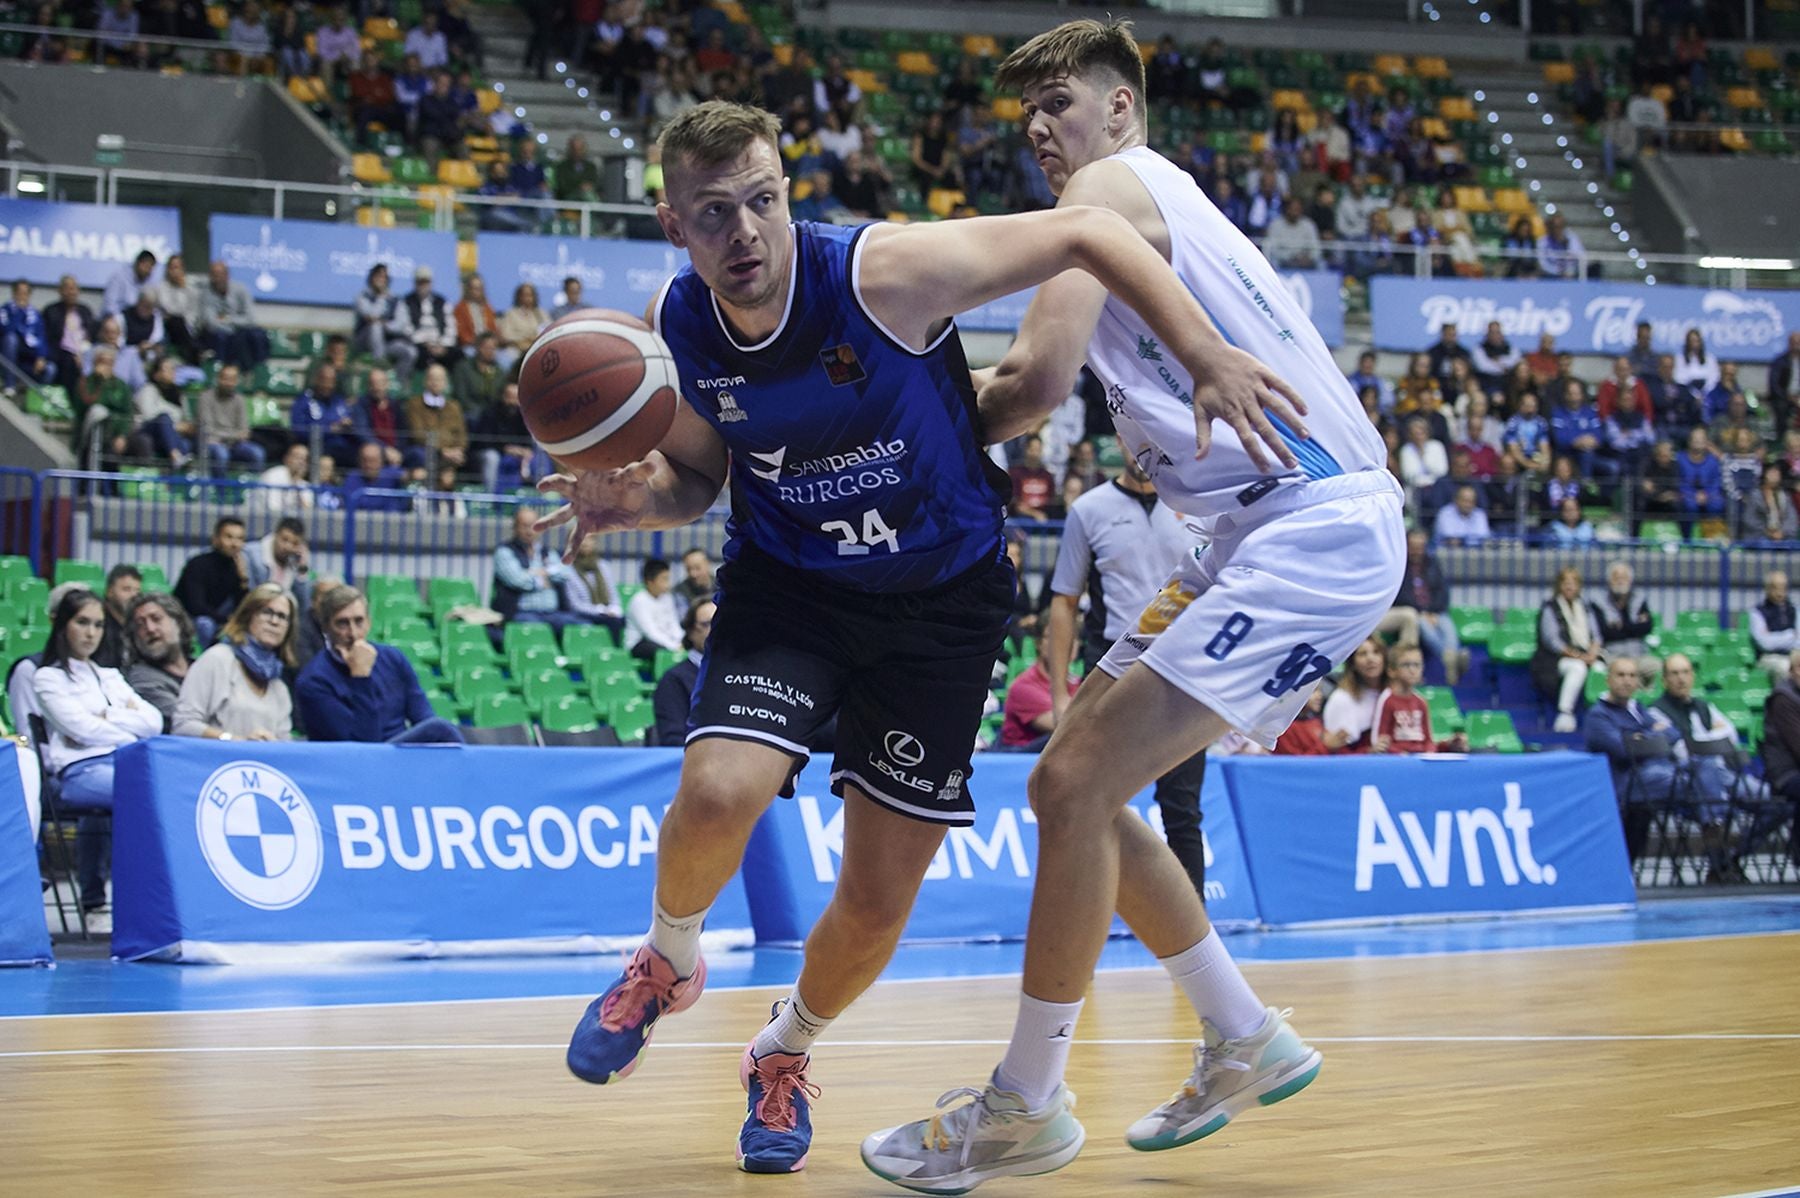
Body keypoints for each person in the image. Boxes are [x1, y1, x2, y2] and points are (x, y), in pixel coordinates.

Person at [535, 91, 1313, 1177]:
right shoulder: (678, 326)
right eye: (714, 214)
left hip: (941, 602)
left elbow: (1089, 230)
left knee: (873, 903)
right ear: (676, 227)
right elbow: (700, 472)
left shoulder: (883, 272)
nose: (744, 231)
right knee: (717, 792)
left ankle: (783, 1049)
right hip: (792, 587)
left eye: (761, 201)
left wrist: (1204, 354)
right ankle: (667, 961)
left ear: (788, 193)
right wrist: (633, 501)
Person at [863, 26, 1406, 1187]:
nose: (1042, 131)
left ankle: (1026, 1100)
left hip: (1310, 523)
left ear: (1122, 111)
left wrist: (852, 426)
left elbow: (1032, 386)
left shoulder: (1109, 191)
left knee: (1070, 783)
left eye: (1060, 104)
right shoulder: (1148, 203)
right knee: (1079, 776)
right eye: (1028, 120)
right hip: (1253, 530)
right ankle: (1242, 1034)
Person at [1042, 455, 1210, 896]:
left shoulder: (1198, 506)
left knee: (1183, 809)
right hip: (1114, 670)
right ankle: (1087, 924)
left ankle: (1196, 943)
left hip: (1182, 671)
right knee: (1095, 802)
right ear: (1121, 439)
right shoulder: (1089, 509)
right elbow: (1064, 602)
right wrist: (1061, 694)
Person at [32, 589, 163, 911]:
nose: (91, 633)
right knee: (146, 793)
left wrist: (108, 716)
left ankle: (147, 900)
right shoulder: (48, 678)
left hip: (126, 762)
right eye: (83, 622)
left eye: (99, 625)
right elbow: (80, 728)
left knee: (158, 789)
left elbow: (154, 722)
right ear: (63, 625)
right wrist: (126, 725)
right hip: (80, 772)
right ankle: (138, 902)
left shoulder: (110, 676)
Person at [294, 586, 463, 744]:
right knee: (442, 729)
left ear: (369, 622)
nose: (353, 634)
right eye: (342, 623)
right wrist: (360, 677)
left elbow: (423, 717)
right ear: (325, 627)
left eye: (358, 621)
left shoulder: (393, 658)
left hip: (399, 754)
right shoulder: (313, 681)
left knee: (446, 733)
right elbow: (363, 744)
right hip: (353, 762)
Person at [172, 583, 296, 741]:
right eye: (267, 612)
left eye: (282, 617)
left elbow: (285, 744)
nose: (274, 621)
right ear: (247, 616)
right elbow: (183, 725)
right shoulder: (216, 659)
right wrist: (235, 740)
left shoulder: (278, 684)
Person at [1584, 655, 1680, 857]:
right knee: (1687, 778)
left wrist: (1641, 738)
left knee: (1702, 769)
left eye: (1632, 676)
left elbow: (1673, 733)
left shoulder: (1637, 709)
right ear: (1608, 679)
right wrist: (1651, 736)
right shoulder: (1598, 715)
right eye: (1620, 675)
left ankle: (1714, 822)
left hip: (1650, 780)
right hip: (1623, 785)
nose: (1626, 680)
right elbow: (1624, 749)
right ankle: (1711, 817)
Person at [1532, 565, 1605, 733]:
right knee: (1577, 668)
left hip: (1586, 655)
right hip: (1555, 660)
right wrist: (1579, 656)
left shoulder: (1586, 608)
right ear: (1559, 585)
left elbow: (1596, 636)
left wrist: (1593, 652)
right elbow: (1552, 641)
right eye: (1565, 582)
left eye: (1573, 582)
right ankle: (1565, 713)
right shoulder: (1550, 607)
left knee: (1601, 669)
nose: (1569, 586)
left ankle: (1600, 716)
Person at [491, 507, 579, 634]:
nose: (530, 531)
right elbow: (518, 581)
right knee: (537, 631)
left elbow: (565, 574)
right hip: (520, 613)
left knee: (582, 627)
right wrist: (544, 579)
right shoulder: (504, 551)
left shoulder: (547, 552)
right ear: (515, 527)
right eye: (525, 526)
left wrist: (537, 573)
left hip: (553, 613)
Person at [1371, 643, 1466, 753]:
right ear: (1392, 671)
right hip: (1397, 761)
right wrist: (1400, 754)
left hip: (1419, 759)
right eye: (1406, 665)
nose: (1412, 670)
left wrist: (1444, 746)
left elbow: (1428, 741)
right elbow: (1379, 741)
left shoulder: (1421, 702)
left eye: (1417, 665)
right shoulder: (1387, 699)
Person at [123, 591, 194, 729]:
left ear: (178, 623)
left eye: (156, 619)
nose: (150, 629)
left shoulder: (202, 667)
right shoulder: (142, 679)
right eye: (140, 625)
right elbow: (186, 723)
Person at [174, 516, 250, 645]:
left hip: (217, 618)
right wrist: (227, 620)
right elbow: (196, 606)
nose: (234, 544)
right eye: (229, 537)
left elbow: (241, 606)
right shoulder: (198, 564)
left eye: (239, 539)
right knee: (205, 624)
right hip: (187, 618)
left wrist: (243, 579)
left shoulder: (237, 567)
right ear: (216, 539)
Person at [999, 626, 1076, 751]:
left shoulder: (1079, 683)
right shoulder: (1023, 687)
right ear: (1038, 643)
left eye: (1071, 638)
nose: (1064, 642)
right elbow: (1067, 727)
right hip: (1020, 762)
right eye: (1054, 636)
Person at [652, 599, 713, 747]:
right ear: (691, 631)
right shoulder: (674, 680)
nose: (716, 629)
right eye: (707, 624)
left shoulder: (735, 677)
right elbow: (674, 740)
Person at [197, 261, 269, 370]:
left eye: (220, 274)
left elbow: (250, 319)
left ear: (227, 275)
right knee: (224, 337)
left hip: (242, 330)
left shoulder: (241, 289)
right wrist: (232, 328)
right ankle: (221, 371)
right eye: (214, 275)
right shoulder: (206, 293)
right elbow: (211, 322)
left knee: (257, 335)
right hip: (220, 333)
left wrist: (228, 320)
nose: (218, 278)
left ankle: (260, 371)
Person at [1598, 561, 1658, 687]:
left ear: (1630, 580)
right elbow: (1605, 632)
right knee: (1623, 672)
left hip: (1638, 654)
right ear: (1609, 581)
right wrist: (1633, 627)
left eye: (1624, 577)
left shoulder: (1640, 600)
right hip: (1612, 656)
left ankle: (1643, 702)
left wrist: (1620, 627)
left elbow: (1647, 627)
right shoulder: (1599, 603)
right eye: (1616, 577)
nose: (1620, 581)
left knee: (1656, 667)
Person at [353, 263, 417, 380]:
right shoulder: (363, 297)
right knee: (375, 326)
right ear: (371, 278)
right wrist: (381, 297)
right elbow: (371, 315)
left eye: (384, 277)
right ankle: (379, 364)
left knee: (410, 351)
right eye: (378, 276)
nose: (381, 280)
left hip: (387, 341)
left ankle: (399, 383)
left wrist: (386, 326)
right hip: (364, 341)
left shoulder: (396, 300)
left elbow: (402, 324)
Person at [392, 266, 457, 371]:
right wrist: (425, 343)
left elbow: (451, 327)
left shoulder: (442, 302)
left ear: (431, 283)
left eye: (426, 282)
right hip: (418, 344)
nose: (423, 285)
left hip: (440, 343)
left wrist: (443, 344)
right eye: (420, 282)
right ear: (415, 283)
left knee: (458, 355)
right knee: (419, 354)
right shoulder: (406, 302)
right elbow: (406, 328)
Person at [621, 556, 682, 662]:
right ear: (649, 581)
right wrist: (674, 647)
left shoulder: (667, 598)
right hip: (640, 643)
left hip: (665, 639)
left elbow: (673, 624)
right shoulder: (639, 601)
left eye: (668, 578)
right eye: (663, 579)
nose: (668, 584)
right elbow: (650, 632)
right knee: (659, 650)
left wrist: (682, 641)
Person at [562, 536, 625, 636]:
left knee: (626, 620)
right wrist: (600, 610)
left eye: (590, 538)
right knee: (613, 623)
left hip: (607, 613)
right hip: (583, 614)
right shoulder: (566, 569)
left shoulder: (603, 566)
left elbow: (613, 595)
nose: (585, 543)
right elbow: (574, 605)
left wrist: (614, 608)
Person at [1750, 570, 1798, 686]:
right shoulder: (1758, 612)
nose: (1780, 592)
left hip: (1794, 655)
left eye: (1783, 587)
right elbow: (1765, 643)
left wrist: (1776, 638)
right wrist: (1791, 635)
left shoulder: (1794, 610)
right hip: (1768, 658)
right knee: (1783, 667)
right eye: (1775, 587)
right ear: (1767, 589)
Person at [2, 278, 54, 384]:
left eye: (25, 293)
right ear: (13, 293)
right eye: (19, 293)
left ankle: (32, 396)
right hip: (10, 357)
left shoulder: (35, 314)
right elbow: (6, 330)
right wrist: (18, 312)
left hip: (29, 358)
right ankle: (9, 385)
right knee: (11, 339)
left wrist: (41, 357)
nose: (22, 296)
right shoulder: (5, 310)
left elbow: (41, 337)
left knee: (50, 368)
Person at [103, 248, 158, 317]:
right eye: (146, 266)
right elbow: (109, 306)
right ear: (137, 263)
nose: (147, 271)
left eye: (150, 268)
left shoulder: (151, 281)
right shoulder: (119, 277)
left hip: (140, 322)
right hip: (119, 319)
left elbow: (154, 310)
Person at [673, 546, 715, 613]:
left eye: (697, 568)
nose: (693, 574)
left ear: (708, 564)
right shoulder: (681, 591)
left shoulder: (722, 586)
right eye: (688, 569)